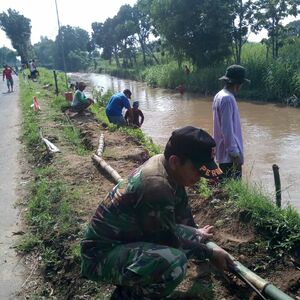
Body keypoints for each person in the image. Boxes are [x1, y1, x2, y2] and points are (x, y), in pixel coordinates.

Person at [81, 126, 233, 300]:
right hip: (100, 255)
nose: (200, 177)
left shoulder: (167, 166)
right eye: (197, 170)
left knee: (195, 234)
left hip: (127, 237)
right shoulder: (156, 185)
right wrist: (210, 253)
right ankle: (127, 296)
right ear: (176, 161)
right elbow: (169, 241)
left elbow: (183, 215)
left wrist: (198, 236)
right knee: (174, 262)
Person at [212, 64, 250, 180]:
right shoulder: (228, 99)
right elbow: (227, 129)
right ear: (238, 84)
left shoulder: (219, 95)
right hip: (229, 157)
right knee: (233, 190)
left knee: (225, 186)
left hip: (223, 153)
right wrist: (235, 154)